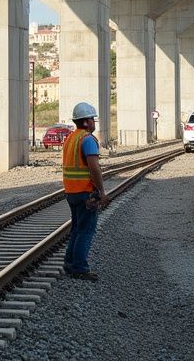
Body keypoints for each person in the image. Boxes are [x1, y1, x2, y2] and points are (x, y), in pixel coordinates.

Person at [62, 101, 109, 281]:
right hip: (86, 193)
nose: (94, 123)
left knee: (76, 229)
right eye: (92, 119)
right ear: (87, 121)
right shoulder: (88, 140)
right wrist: (101, 191)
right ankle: (80, 267)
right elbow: (94, 168)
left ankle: (69, 262)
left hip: (71, 192)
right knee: (86, 231)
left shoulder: (70, 138)